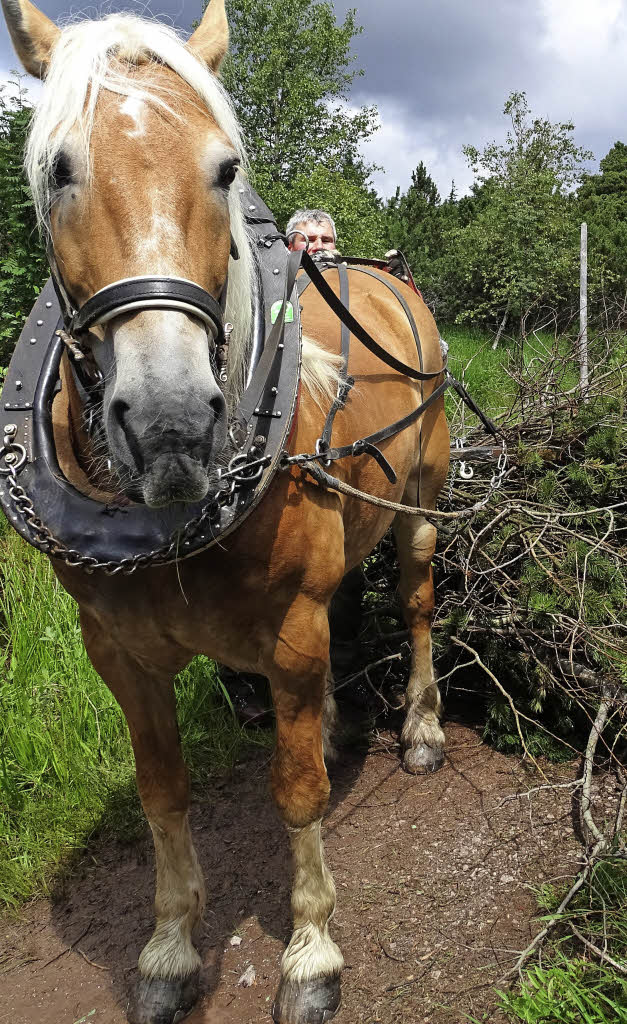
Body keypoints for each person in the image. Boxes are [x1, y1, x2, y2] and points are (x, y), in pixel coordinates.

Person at [286, 207, 413, 285]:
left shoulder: (355, 283)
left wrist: (391, 283)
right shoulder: (274, 282)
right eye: (309, 240)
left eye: (326, 240)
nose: (319, 246)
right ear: (290, 247)